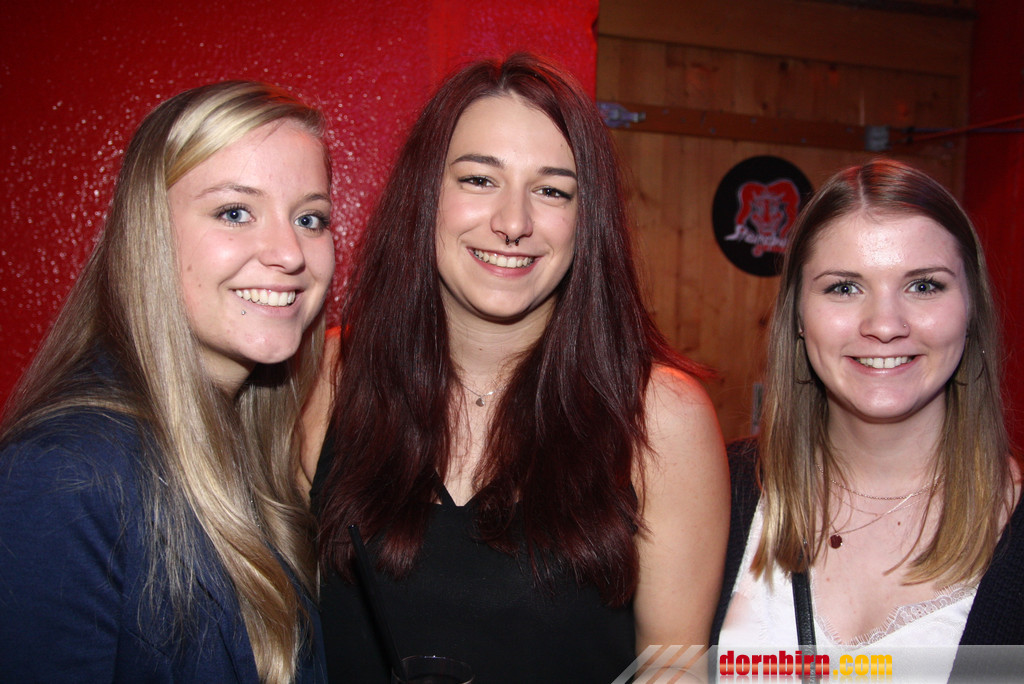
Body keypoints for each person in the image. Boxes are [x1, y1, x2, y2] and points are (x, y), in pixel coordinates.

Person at [303, 54, 729, 682]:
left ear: (587, 220)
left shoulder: (662, 415)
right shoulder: (329, 375)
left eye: (552, 190)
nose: (513, 223)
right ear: (426, 194)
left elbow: (674, 670)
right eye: (479, 179)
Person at [0, 81, 335, 682]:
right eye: (235, 212)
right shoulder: (63, 477)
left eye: (310, 218)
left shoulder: (256, 450)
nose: (290, 253)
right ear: (148, 232)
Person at [713, 160, 1024, 677]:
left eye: (923, 286)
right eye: (844, 287)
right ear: (797, 315)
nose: (884, 325)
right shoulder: (716, 491)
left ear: (971, 308)